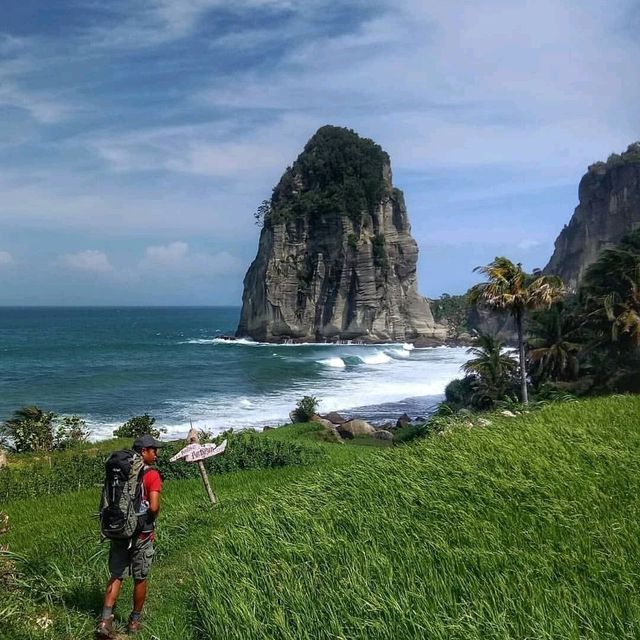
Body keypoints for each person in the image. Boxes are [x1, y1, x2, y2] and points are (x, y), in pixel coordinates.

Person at [97, 435, 164, 638]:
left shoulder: (120, 472)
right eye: (153, 450)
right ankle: (134, 622)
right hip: (142, 534)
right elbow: (154, 506)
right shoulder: (151, 474)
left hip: (119, 531)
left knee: (116, 575)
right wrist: (148, 518)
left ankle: (105, 620)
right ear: (143, 452)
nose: (156, 454)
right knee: (140, 578)